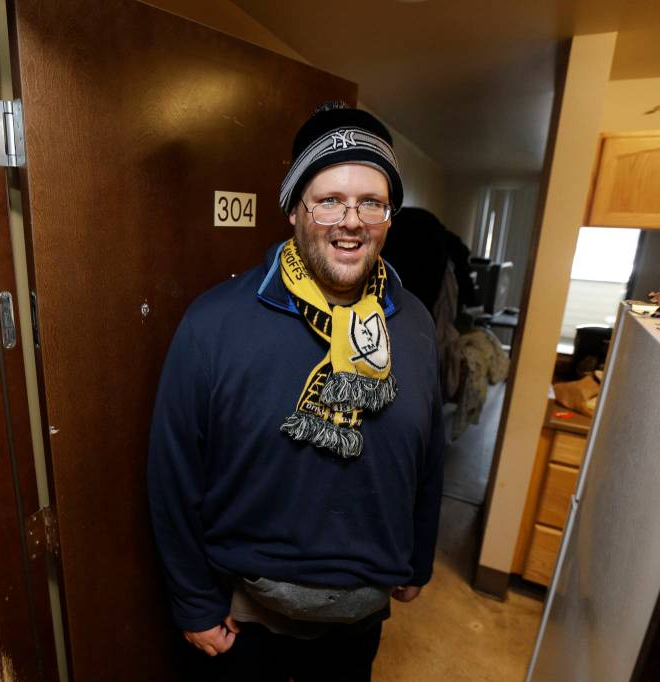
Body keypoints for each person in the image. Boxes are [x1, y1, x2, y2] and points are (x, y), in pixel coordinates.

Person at [147, 102, 445, 681]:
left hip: (360, 619)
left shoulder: (414, 323)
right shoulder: (215, 322)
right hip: (244, 623)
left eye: (371, 202)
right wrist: (194, 602)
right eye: (329, 200)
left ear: (389, 216)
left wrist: (418, 556)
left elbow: (430, 452)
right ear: (293, 209)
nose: (351, 221)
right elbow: (173, 472)